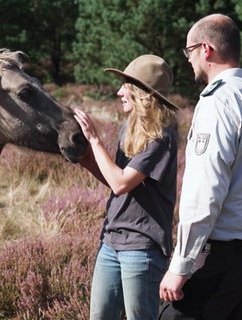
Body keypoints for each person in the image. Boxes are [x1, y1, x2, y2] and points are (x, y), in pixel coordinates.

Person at [159, 13, 242, 320]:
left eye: (189, 52)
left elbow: (204, 194)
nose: (188, 60)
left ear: (206, 49)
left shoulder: (217, 103)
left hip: (220, 257)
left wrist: (181, 265)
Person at [73, 54, 179, 320]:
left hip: (142, 248)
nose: (119, 91)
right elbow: (116, 179)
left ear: (142, 93)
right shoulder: (129, 128)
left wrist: (96, 141)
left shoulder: (161, 137)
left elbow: (120, 184)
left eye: (126, 86)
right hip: (111, 240)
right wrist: (87, 159)